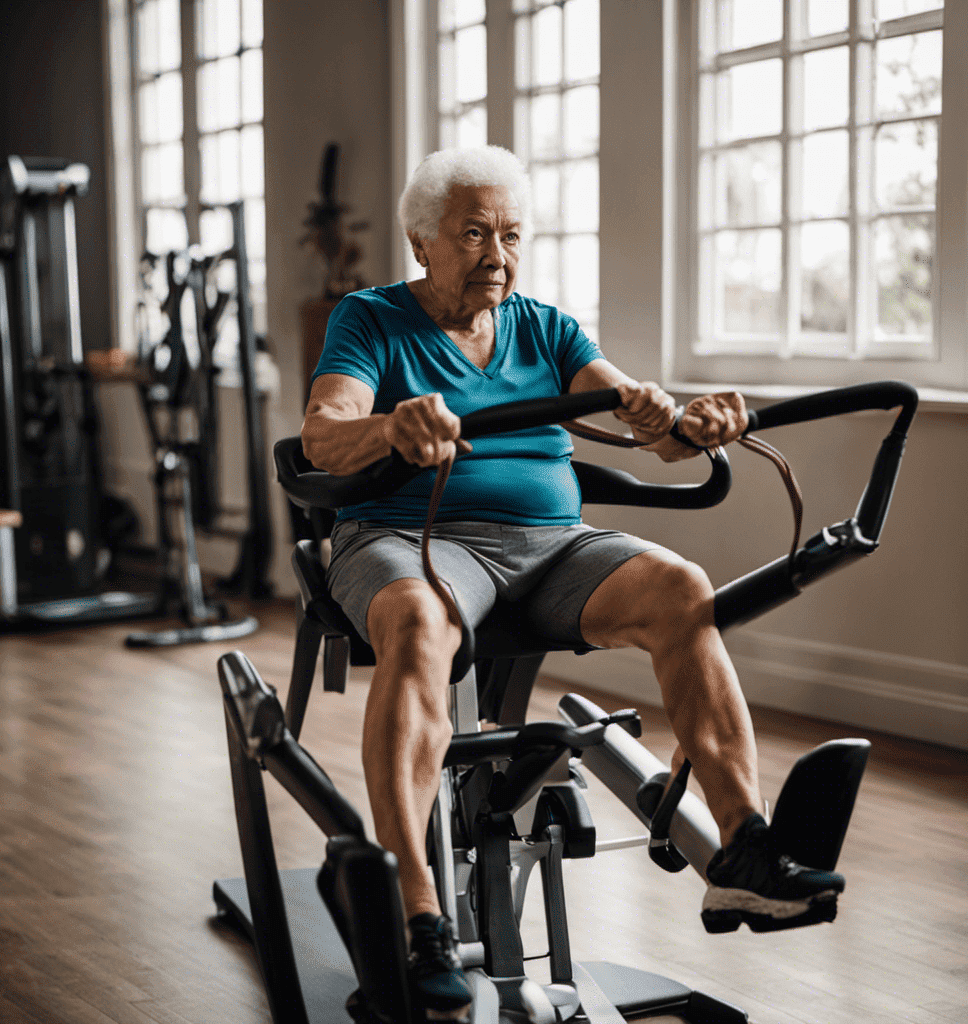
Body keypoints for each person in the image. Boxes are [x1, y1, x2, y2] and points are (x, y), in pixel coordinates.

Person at [301, 146, 844, 1016]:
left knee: (681, 588)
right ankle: (418, 917)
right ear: (421, 241)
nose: (497, 255)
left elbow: (644, 422)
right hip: (413, 535)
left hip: (552, 542)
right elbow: (324, 436)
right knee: (411, 623)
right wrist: (388, 426)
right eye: (474, 233)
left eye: (512, 235)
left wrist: (695, 422)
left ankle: (743, 851)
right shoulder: (370, 321)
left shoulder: (548, 327)